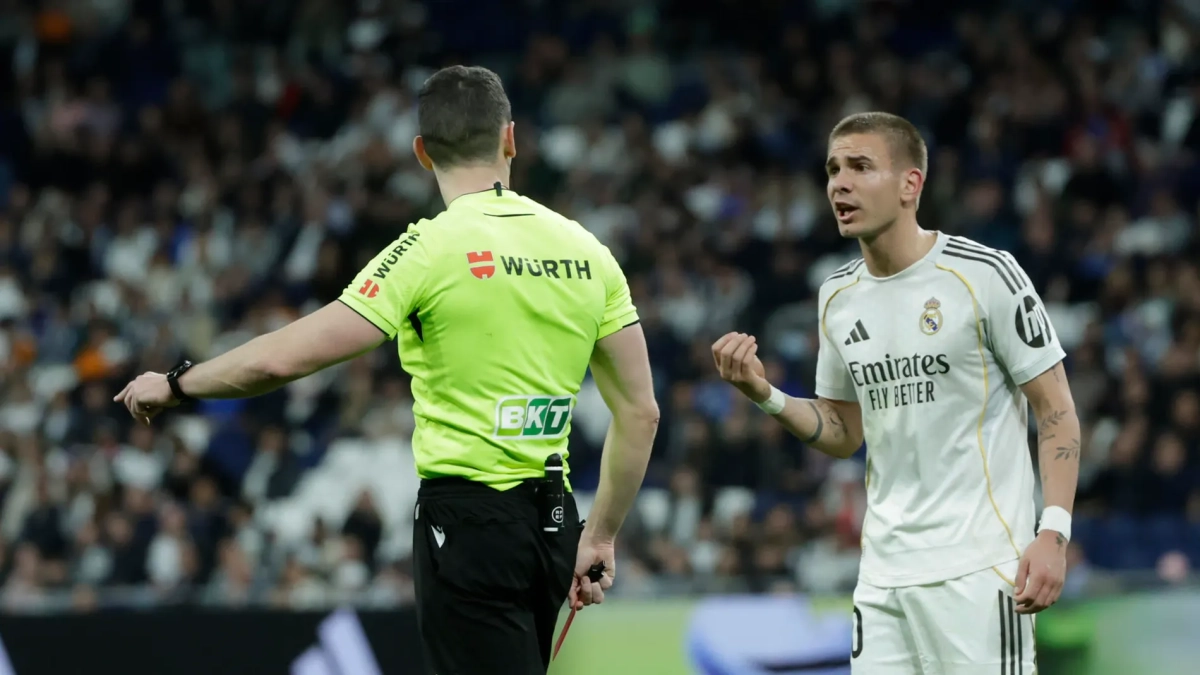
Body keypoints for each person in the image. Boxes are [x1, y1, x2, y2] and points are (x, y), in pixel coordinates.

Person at [114, 65, 660, 675]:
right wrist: (602, 534)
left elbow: (281, 357)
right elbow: (639, 411)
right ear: (511, 138)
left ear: (422, 153)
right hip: (555, 522)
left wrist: (177, 383)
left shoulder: (427, 249)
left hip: (468, 524)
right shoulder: (589, 252)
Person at [713, 112, 1080, 674]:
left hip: (980, 569)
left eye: (860, 167)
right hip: (882, 575)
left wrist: (1053, 533)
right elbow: (842, 431)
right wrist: (765, 393)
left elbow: (1055, 411)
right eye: (833, 169)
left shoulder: (985, 275)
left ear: (911, 184)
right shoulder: (836, 297)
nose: (840, 183)